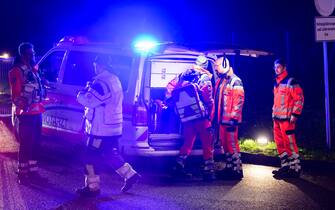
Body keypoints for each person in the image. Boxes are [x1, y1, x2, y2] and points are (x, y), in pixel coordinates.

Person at [76, 54, 140, 197]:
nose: (94, 68)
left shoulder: (101, 82)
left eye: (95, 65)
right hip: (113, 128)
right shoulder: (115, 78)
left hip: (100, 130)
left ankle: (92, 188)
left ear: (99, 65)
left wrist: (80, 93)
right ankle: (130, 175)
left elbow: (90, 101)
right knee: (110, 153)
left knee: (89, 158)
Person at [166, 55, 215, 181]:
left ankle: (178, 166)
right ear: (206, 66)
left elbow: (170, 87)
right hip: (201, 116)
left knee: (188, 142)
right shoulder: (205, 78)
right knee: (207, 142)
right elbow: (207, 96)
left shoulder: (183, 75)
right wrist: (210, 108)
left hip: (187, 117)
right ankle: (208, 170)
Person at [8, 42, 46, 184]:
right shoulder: (16, 71)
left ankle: (33, 172)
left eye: (33, 53)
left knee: (36, 143)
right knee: (26, 144)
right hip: (26, 115)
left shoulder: (33, 70)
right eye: (29, 54)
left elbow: (37, 89)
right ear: (22, 54)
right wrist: (24, 106)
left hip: (37, 113)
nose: (32, 56)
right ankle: (22, 174)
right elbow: (16, 96)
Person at [212, 56, 244, 180]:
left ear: (224, 65)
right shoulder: (222, 81)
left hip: (230, 122)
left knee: (232, 146)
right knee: (225, 146)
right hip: (222, 121)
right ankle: (229, 168)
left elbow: (239, 101)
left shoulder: (235, 81)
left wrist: (234, 119)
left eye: (217, 67)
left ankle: (237, 170)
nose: (216, 70)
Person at [271, 58, 304, 178]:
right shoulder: (276, 83)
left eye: (278, 67)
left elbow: (299, 98)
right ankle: (285, 166)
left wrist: (295, 114)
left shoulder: (291, 81)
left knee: (289, 144)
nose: (276, 69)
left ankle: (295, 168)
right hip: (277, 119)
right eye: (275, 67)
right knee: (280, 144)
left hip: (287, 120)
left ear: (284, 67)